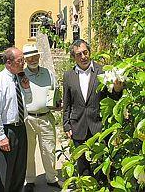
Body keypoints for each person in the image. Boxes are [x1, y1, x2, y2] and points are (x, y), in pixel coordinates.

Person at [63, 39, 123, 176]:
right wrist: (66, 125)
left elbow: (112, 97)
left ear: (90, 52)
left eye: (85, 52)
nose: (83, 57)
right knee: (82, 165)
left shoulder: (102, 71)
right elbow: (67, 103)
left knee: (103, 163)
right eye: (79, 54)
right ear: (73, 57)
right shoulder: (68, 76)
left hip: (99, 125)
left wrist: (117, 90)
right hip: (78, 125)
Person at [0, 47, 32, 192]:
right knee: (5, 174)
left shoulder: (20, 78)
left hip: (20, 129)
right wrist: (0, 136)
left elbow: (28, 102)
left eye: (23, 60)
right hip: (6, 131)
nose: (23, 64)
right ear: (8, 62)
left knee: (19, 172)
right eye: (20, 61)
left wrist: (26, 88)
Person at [23, 44, 62, 192]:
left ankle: (52, 178)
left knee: (49, 150)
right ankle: (30, 180)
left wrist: (58, 103)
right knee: (28, 152)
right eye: (29, 57)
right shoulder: (21, 76)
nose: (32, 59)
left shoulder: (48, 73)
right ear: (25, 59)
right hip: (28, 120)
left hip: (46, 117)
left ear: (39, 56)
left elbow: (55, 92)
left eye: (35, 56)